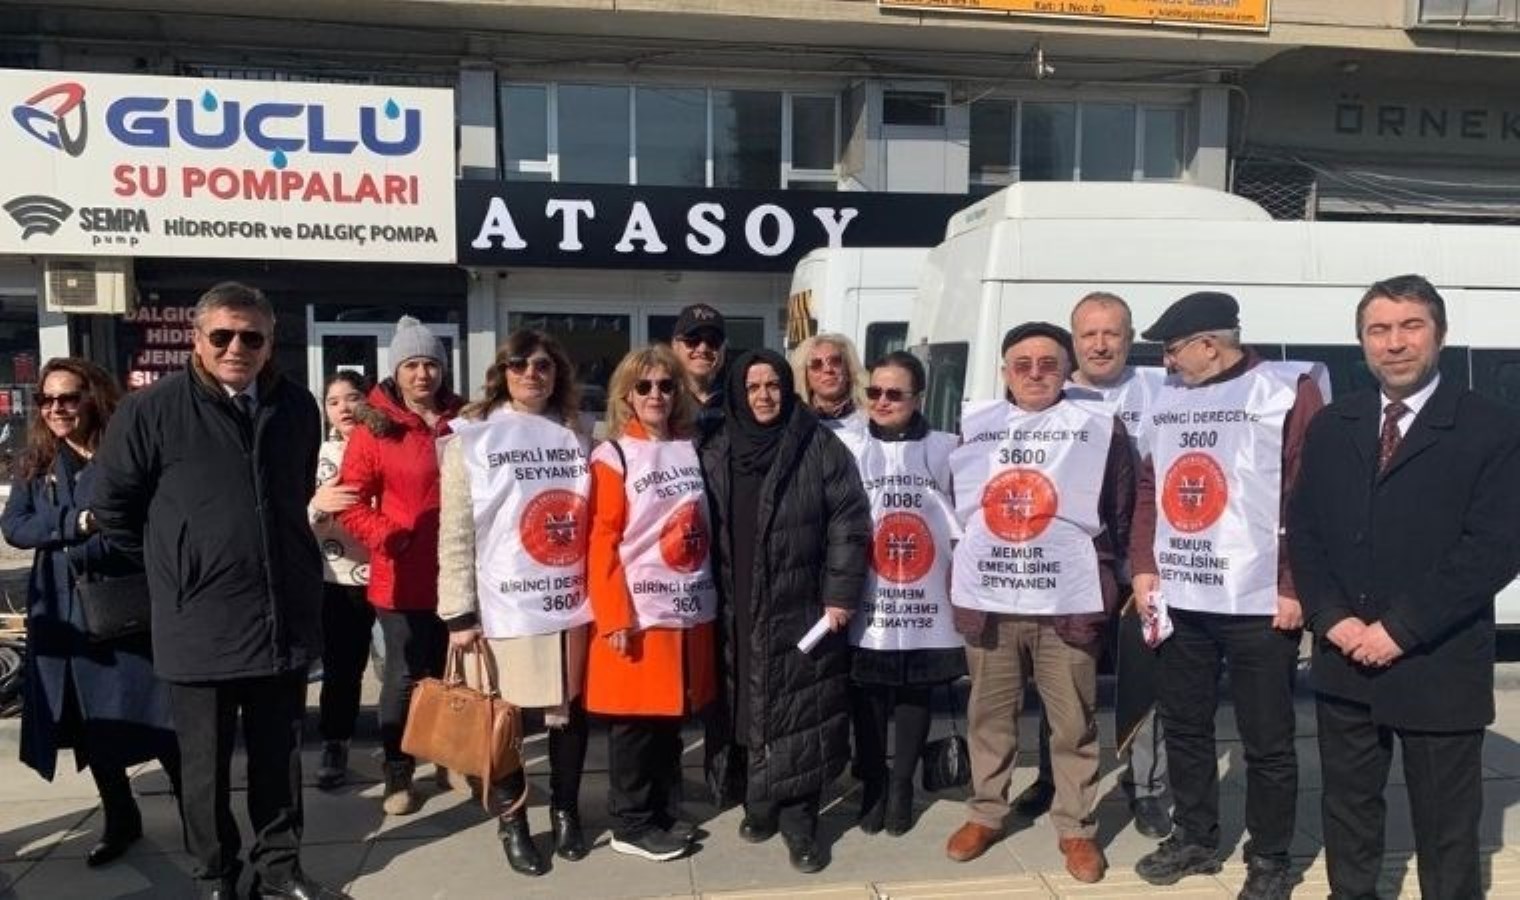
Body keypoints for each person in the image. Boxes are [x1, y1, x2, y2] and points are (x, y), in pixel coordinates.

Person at [92, 282, 344, 900]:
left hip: (280, 618)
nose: (237, 348)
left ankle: (279, 871)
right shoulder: (150, 411)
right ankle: (217, 875)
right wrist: (178, 565)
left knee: (278, 760)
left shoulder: (296, 406)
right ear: (197, 340)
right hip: (197, 622)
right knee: (203, 768)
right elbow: (114, 508)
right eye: (222, 336)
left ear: (270, 343)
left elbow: (293, 493)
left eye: (251, 337)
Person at [1290, 274, 1520, 900]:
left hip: (1437, 663)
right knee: (1348, 814)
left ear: (1439, 335)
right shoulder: (1334, 424)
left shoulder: (1491, 427)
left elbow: (1493, 549)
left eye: (1410, 326)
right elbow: (1305, 530)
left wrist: (1400, 629)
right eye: (1378, 330)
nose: (1394, 343)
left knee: (1447, 830)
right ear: (1362, 342)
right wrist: (1330, 617)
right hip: (1344, 659)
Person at [1129, 291, 1325, 900]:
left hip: (1258, 602)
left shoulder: (1285, 391)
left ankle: (1270, 858)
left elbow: (1308, 493)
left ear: (1210, 345)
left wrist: (1293, 585)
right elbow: (1149, 486)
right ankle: (1195, 836)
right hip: (1182, 595)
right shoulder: (1169, 397)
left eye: (1173, 349)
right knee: (1185, 725)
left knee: (1267, 741)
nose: (1167, 362)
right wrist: (1143, 565)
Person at [943, 323, 1133, 885]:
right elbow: (958, 505)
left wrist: (1109, 573)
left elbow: (1121, 506)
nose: (1034, 374)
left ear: (1067, 370)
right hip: (992, 602)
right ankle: (987, 812)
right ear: (1004, 371)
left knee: (1073, 723)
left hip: (1066, 602)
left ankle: (1076, 828)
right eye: (1021, 364)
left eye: (1048, 364)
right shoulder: (977, 426)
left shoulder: (1097, 426)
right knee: (989, 717)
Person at [1, 358, 180, 869]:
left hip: (126, 603)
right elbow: (16, 527)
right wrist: (76, 523)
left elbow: (142, 523)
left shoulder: (124, 452)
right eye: (47, 399)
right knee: (92, 722)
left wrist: (84, 532)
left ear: (93, 397)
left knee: (159, 715)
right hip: (63, 608)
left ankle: (201, 817)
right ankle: (120, 818)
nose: (56, 408)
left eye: (68, 397)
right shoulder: (36, 461)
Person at [697, 348, 871, 874]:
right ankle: (761, 801)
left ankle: (800, 822)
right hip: (734, 603)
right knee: (747, 706)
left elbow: (849, 521)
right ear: (737, 394)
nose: (764, 396)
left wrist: (840, 594)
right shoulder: (717, 447)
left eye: (773, 385)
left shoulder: (818, 444)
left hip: (800, 602)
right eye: (753, 387)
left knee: (800, 710)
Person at [1015, 292, 1172, 839]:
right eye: (1089, 334)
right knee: (1058, 683)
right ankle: (1052, 780)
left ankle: (1146, 787)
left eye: (1112, 333)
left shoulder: (1162, 390)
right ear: (1073, 339)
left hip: (1142, 570)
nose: (1100, 345)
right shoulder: (1047, 390)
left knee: (1145, 684)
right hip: (1065, 570)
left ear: (1129, 338)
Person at [438, 329, 593, 877]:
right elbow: (456, 531)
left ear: (558, 373)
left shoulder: (579, 432)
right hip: (502, 604)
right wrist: (458, 612)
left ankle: (566, 810)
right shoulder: (473, 438)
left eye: (543, 365)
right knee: (503, 722)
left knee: (569, 715)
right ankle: (513, 820)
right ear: (502, 372)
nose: (532, 373)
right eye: (520, 364)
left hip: (568, 601)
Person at [585, 344, 718, 862]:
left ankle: (662, 810)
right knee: (635, 725)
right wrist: (614, 615)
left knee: (668, 718)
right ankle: (631, 822)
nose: (656, 394)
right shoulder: (614, 455)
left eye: (666, 385)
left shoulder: (691, 447)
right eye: (644, 386)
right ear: (627, 395)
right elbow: (602, 540)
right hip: (639, 612)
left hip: (685, 607)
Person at [337, 317, 462, 816]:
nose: (422, 374)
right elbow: (350, 502)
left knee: (452, 671)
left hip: (458, 571)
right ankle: (398, 770)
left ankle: (448, 757)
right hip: (402, 575)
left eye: (431, 364)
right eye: (411, 365)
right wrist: (390, 536)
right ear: (396, 371)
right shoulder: (376, 429)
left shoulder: (463, 419)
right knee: (405, 675)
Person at [845, 351, 965, 837]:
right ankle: (873, 782)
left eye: (894, 394)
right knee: (868, 694)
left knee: (917, 691)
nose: (882, 401)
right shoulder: (850, 447)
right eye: (874, 392)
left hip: (926, 594)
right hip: (868, 593)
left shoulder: (946, 448)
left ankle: (901, 787)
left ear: (917, 398)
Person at [308, 371, 374, 791]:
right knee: (342, 668)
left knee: (407, 669)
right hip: (339, 576)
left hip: (394, 571)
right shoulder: (317, 454)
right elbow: (301, 517)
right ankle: (336, 742)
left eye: (352, 398)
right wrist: (318, 504)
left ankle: (412, 749)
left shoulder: (389, 445)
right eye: (333, 402)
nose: (344, 408)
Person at [790, 333, 868, 434]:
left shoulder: (870, 417)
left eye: (835, 361)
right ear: (805, 376)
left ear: (849, 369)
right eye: (816, 364)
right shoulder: (794, 422)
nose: (828, 369)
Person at [671, 303, 727, 432]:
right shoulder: (660, 396)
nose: (703, 349)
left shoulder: (738, 401)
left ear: (723, 349)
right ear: (675, 346)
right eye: (692, 340)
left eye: (713, 341)